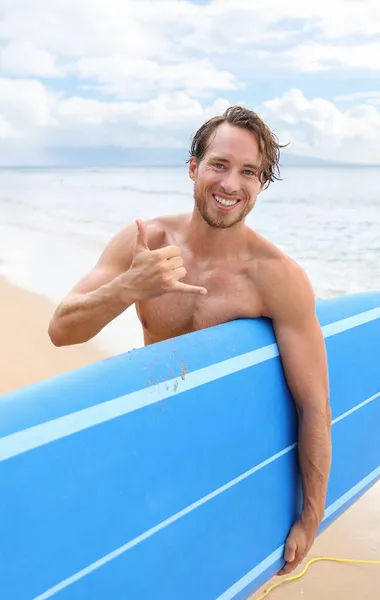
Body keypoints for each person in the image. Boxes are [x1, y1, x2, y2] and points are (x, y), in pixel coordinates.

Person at [48, 106, 332, 576]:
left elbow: (314, 404)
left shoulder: (275, 278)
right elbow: (61, 331)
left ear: (261, 184)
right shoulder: (146, 241)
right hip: (150, 426)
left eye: (249, 172)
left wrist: (310, 516)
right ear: (193, 167)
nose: (230, 184)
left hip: (223, 445)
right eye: (220, 165)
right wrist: (128, 288)